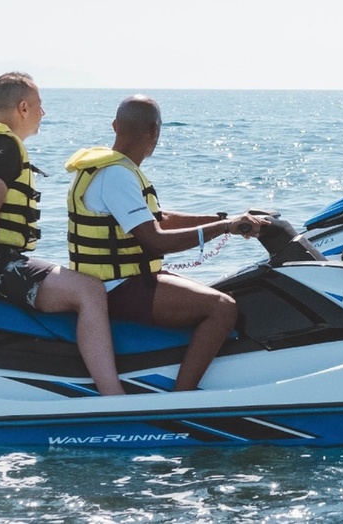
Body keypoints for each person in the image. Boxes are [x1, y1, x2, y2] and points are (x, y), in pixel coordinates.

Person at [65, 94, 268, 392]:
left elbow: (160, 218)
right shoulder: (117, 175)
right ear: (154, 132)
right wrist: (224, 226)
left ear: (115, 126)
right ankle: (181, 396)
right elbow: (155, 240)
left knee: (214, 291)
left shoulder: (108, 168)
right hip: (118, 287)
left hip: (118, 279)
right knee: (223, 308)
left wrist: (225, 219)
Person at [0, 72, 126, 395]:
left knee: (75, 282)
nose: (44, 113)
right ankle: (114, 396)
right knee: (90, 291)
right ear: (23, 108)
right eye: (40, 105)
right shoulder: (3, 146)